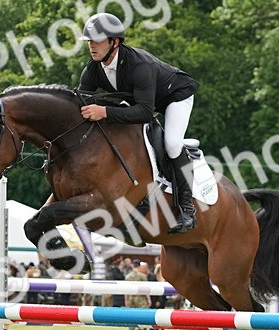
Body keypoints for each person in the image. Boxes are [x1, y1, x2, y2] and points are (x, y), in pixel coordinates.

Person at [77, 12, 200, 234]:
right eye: (89, 41)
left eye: (97, 40)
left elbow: (144, 112)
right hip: (141, 99)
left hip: (174, 96)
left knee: (172, 143)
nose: (91, 45)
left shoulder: (139, 66)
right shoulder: (93, 68)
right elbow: (81, 102)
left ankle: (187, 209)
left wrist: (104, 111)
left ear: (114, 42)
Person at [124, 260, 150, 330]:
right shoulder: (142, 276)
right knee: (141, 314)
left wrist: (126, 300)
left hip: (131, 297)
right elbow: (146, 289)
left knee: (131, 315)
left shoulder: (128, 276)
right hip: (141, 298)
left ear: (133, 265)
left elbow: (125, 290)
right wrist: (148, 299)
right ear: (139, 266)